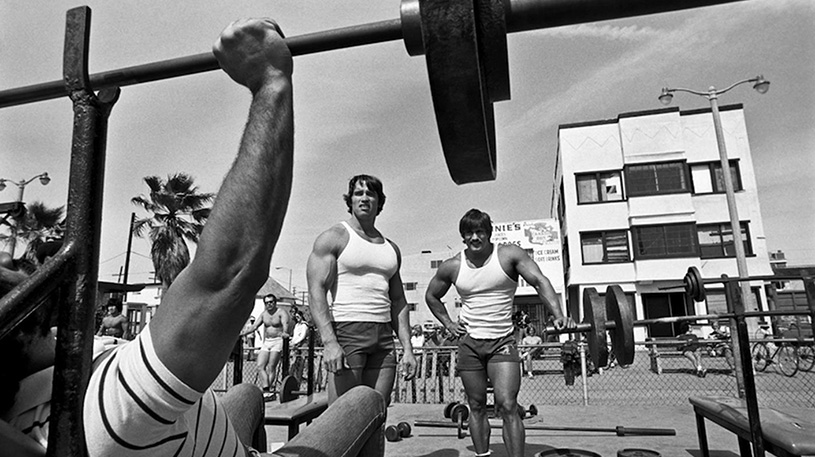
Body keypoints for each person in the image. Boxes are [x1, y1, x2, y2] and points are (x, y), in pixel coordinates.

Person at [0, 18, 388, 457]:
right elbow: (231, 273)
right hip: (162, 432)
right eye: (0, 269)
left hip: (187, 432)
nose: (12, 258)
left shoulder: (37, 401)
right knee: (363, 399)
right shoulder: (109, 406)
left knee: (245, 394)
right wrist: (270, 81)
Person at [425, 208, 575, 457]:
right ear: (463, 236)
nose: (475, 238)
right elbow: (431, 296)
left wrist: (558, 315)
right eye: (469, 233)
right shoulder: (452, 266)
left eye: (480, 232)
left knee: (507, 404)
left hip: (502, 343)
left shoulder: (508, 255)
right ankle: (482, 455)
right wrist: (449, 324)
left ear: (489, 234)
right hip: (470, 344)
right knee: (476, 405)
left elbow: (540, 281)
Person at [307, 174, 417, 405]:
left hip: (384, 337)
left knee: (376, 413)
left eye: (370, 193)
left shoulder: (391, 248)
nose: (364, 198)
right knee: (342, 417)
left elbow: (399, 301)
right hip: (348, 331)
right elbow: (316, 291)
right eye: (358, 193)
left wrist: (408, 348)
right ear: (350, 200)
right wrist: (329, 342)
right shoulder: (334, 238)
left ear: (380, 201)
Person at [241, 293, 291, 401]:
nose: (269, 304)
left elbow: (285, 324)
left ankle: (268, 391)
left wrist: (285, 332)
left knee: (271, 366)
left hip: (277, 341)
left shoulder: (281, 313)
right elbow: (254, 326)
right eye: (267, 302)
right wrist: (243, 333)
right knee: (260, 366)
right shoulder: (264, 314)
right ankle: (266, 389)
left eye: (271, 302)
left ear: (275, 302)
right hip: (267, 341)